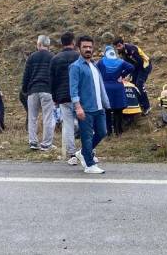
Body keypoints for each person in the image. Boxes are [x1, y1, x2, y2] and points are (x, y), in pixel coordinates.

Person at [69, 35, 110, 174]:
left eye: (90, 47)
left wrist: (105, 103)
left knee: (102, 132)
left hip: (99, 107)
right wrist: (78, 107)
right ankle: (89, 165)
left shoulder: (94, 65)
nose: (88, 49)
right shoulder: (75, 67)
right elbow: (73, 89)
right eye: (85, 47)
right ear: (78, 48)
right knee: (86, 137)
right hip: (85, 109)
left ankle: (82, 153)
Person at [50, 31, 80, 165]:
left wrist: (55, 97)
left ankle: (72, 153)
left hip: (62, 97)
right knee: (84, 124)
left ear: (62, 43)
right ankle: (87, 152)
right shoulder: (79, 57)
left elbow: (52, 80)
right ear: (73, 42)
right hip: (79, 96)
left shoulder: (55, 59)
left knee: (67, 125)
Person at [22, 35, 55, 151]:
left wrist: (24, 89)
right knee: (48, 117)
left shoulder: (32, 57)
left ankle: (33, 142)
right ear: (48, 45)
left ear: (39, 44)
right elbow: (55, 76)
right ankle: (46, 144)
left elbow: (26, 75)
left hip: (33, 90)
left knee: (32, 117)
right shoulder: (52, 57)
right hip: (47, 90)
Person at [97, 45, 135, 137]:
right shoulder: (120, 61)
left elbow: (95, 69)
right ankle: (118, 132)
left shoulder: (101, 62)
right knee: (118, 111)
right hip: (118, 88)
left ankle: (109, 132)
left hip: (106, 88)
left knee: (107, 111)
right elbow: (131, 67)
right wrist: (122, 75)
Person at [113, 37, 152, 115]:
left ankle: (147, 106)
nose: (118, 48)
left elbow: (139, 62)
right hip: (136, 67)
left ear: (123, 44)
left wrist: (129, 73)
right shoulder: (122, 52)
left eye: (119, 45)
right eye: (116, 46)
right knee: (132, 84)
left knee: (139, 85)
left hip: (144, 66)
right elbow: (127, 64)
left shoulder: (131, 49)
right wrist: (122, 74)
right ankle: (140, 103)